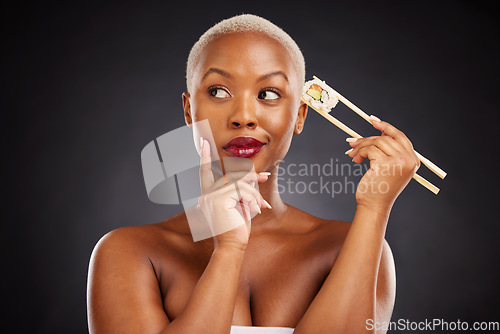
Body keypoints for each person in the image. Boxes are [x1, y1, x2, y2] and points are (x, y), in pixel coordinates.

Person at [87, 14, 420, 334]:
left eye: (268, 94)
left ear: (300, 115)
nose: (244, 116)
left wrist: (374, 208)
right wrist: (228, 250)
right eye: (218, 91)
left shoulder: (350, 248)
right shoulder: (128, 253)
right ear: (189, 110)